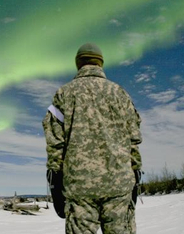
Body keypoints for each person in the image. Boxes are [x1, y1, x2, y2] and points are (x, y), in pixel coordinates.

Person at [43, 43, 142, 234]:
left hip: (80, 188)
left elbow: (54, 142)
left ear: (78, 64)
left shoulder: (64, 94)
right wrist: (135, 173)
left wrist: (55, 179)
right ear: (100, 64)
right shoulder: (120, 94)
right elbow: (133, 140)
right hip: (119, 185)